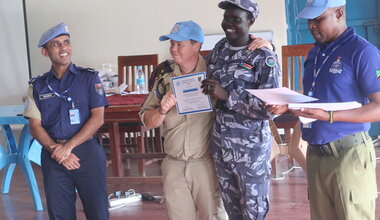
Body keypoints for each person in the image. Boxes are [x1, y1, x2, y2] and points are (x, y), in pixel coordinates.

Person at [267, 0, 380, 219]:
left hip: (348, 155)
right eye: (310, 19)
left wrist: (328, 116)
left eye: (318, 19)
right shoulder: (315, 53)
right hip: (316, 155)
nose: (311, 25)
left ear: (339, 13)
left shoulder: (363, 52)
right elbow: (316, 98)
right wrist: (289, 106)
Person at [139, 20, 227, 220]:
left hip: (206, 164)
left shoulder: (215, 76)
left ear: (197, 46)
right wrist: (161, 110)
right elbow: (147, 120)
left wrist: (261, 42)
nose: (173, 49)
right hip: (174, 165)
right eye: (171, 44)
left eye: (180, 44)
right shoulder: (164, 80)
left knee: (214, 216)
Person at [201, 0, 280, 219]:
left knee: (253, 211)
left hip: (250, 150)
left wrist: (226, 96)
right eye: (226, 18)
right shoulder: (220, 48)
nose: (229, 24)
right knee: (231, 209)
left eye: (236, 19)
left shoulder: (264, 57)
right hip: (221, 144)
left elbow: (269, 110)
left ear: (251, 21)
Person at [23, 22, 109, 220]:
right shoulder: (37, 86)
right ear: (45, 52)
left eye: (66, 42)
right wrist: (58, 150)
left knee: (98, 212)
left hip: (87, 153)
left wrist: (68, 147)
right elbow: (35, 126)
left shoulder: (89, 78)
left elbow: (98, 118)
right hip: (54, 156)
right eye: (56, 44)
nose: (64, 48)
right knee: (60, 214)